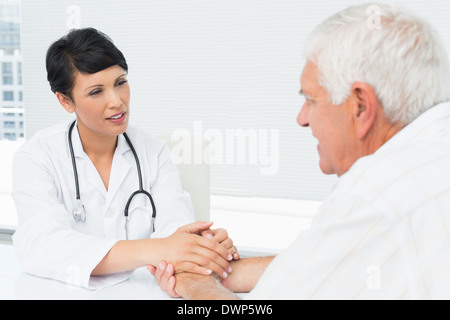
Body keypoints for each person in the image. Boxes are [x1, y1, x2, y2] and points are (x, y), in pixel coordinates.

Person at [151, 2, 450, 299]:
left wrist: (195, 282)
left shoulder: (374, 193)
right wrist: (222, 271)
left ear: (360, 105)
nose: (302, 118)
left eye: (311, 99)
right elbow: (334, 266)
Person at [12, 28, 238, 289]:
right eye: (96, 92)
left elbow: (176, 231)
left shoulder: (154, 152)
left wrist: (203, 245)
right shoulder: (37, 157)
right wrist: (158, 250)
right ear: (65, 101)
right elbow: (44, 246)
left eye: (120, 82)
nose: (117, 101)